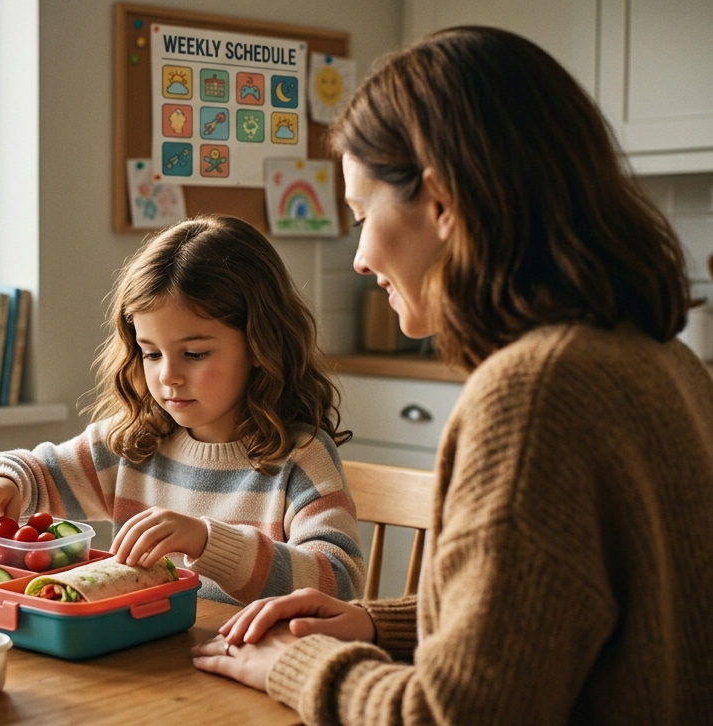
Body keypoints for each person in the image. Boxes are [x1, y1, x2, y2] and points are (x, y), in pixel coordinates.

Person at [191, 26, 713, 724]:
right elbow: (559, 611)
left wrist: (297, 663)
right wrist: (375, 623)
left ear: (439, 202)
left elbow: (454, 713)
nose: (358, 257)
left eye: (360, 214)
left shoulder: (534, 392)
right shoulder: (657, 358)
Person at [0, 214, 365, 604]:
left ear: (261, 344)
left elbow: (339, 584)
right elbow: (34, 474)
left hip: (250, 666)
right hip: (159, 663)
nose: (169, 376)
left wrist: (207, 542)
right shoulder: (133, 443)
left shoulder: (301, 457)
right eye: (151, 354)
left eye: (195, 353)